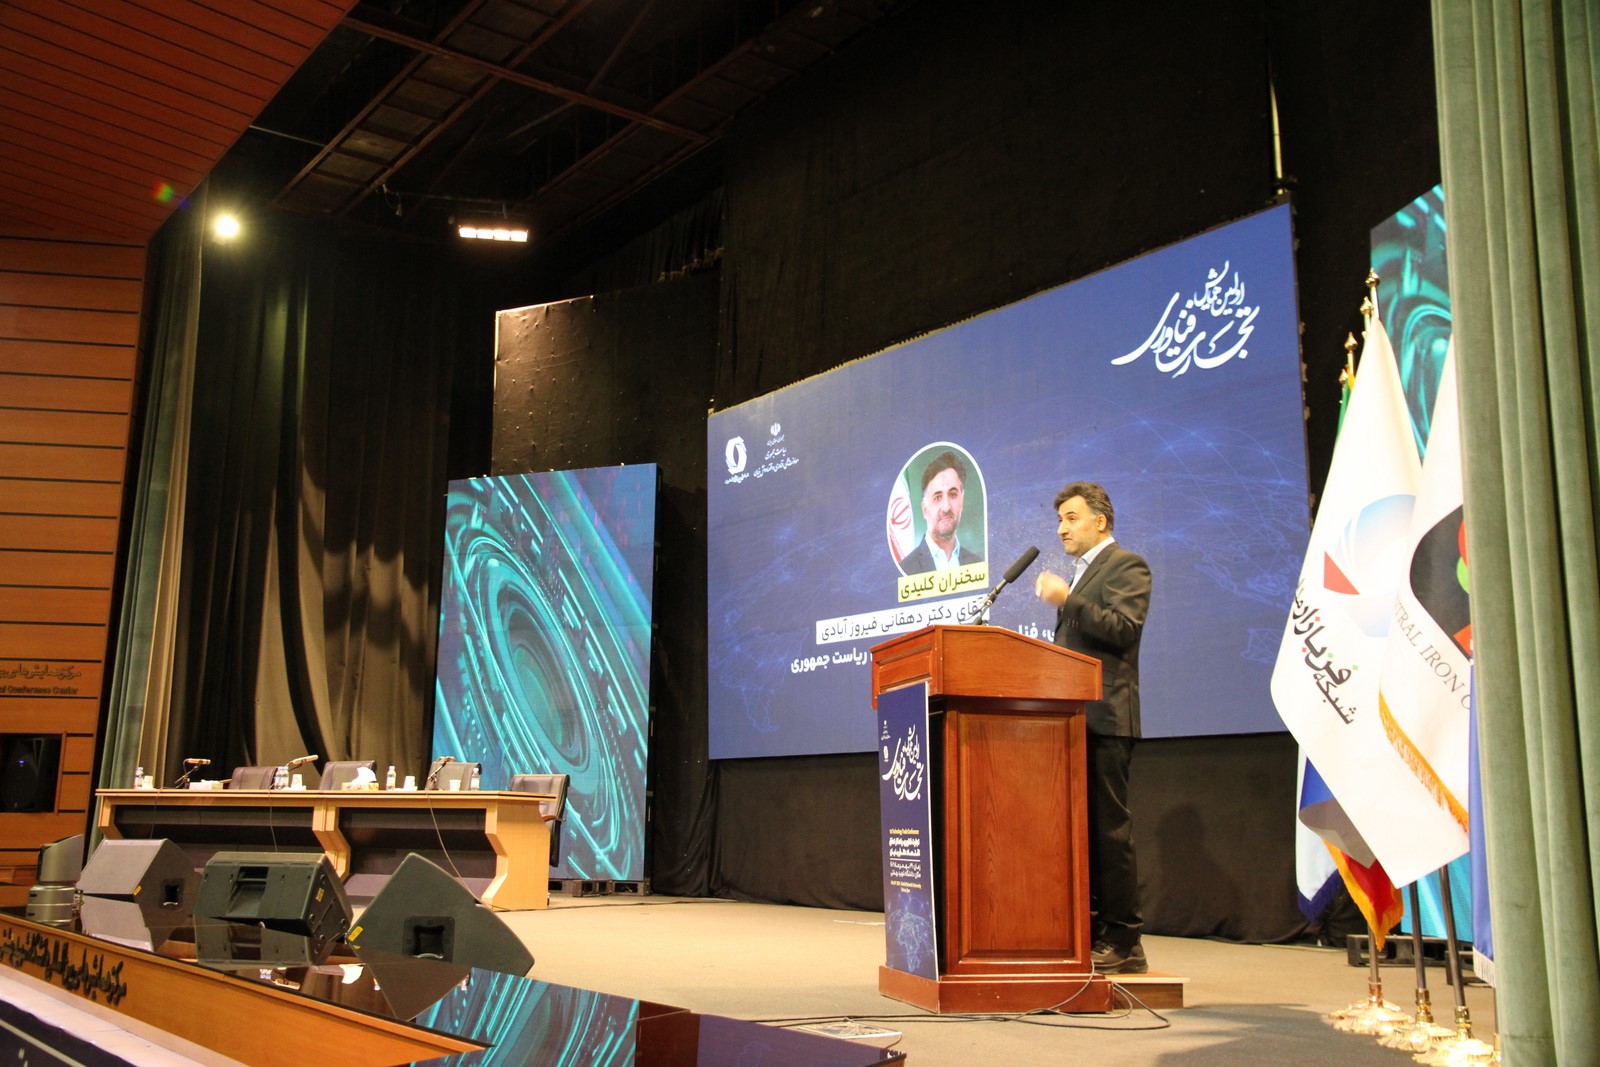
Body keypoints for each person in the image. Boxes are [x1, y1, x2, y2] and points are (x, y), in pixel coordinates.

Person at [1033, 481, 1151, 975]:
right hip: (1074, 721)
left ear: (1100, 521)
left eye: (1072, 518)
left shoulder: (1126, 564)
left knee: (1110, 832)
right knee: (1082, 833)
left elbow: (1124, 629)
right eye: (1059, 520)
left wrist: (1067, 599)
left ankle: (1125, 942)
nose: (1062, 529)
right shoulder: (1081, 574)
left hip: (1106, 718)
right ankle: (1093, 931)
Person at [898, 451, 983, 574]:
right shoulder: (905, 569)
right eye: (937, 497)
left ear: (962, 502)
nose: (946, 507)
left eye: (953, 494)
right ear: (924, 510)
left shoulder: (977, 564)